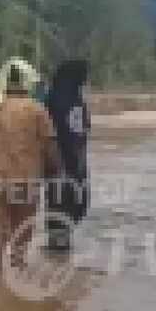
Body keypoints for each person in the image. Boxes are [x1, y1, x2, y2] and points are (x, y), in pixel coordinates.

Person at [0, 62, 61, 270]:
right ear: (28, 82)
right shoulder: (37, 109)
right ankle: (17, 271)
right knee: (23, 229)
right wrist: (55, 170)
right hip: (26, 178)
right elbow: (50, 145)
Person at [43, 60, 90, 251]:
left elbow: (83, 128)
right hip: (59, 160)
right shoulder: (52, 98)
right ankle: (57, 249)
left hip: (77, 160)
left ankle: (60, 246)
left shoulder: (78, 98)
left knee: (78, 203)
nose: (86, 79)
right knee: (60, 203)